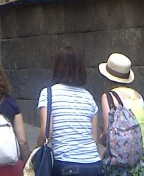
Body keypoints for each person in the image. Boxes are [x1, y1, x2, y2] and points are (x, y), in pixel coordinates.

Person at [34, 46, 101, 176]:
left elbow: (47, 131)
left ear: (56, 67)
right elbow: (94, 139)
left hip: (67, 165)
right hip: (93, 164)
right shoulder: (88, 96)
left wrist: (36, 149)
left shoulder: (48, 94)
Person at [98, 52, 144, 176]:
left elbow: (108, 132)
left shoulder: (108, 97)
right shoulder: (138, 95)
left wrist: (100, 140)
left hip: (120, 161)